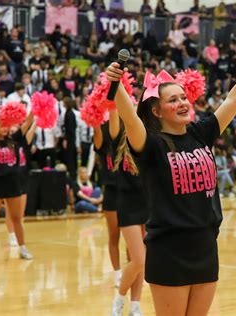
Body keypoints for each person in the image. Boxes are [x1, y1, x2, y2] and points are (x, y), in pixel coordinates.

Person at [106, 62, 236, 315]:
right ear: (157, 110)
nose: (183, 103)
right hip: (169, 251)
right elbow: (129, 118)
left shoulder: (201, 133)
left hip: (206, 245)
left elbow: (234, 99)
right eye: (173, 100)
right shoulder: (151, 145)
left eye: (184, 97)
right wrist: (115, 83)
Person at [110, 106, 149, 316]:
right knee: (138, 259)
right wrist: (116, 87)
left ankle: (135, 306)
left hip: (148, 206)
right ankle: (119, 299)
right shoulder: (118, 143)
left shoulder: (145, 144)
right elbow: (115, 112)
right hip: (127, 206)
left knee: (141, 261)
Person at [0, 115, 34, 263]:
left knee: (17, 219)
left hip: (13, 184)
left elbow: (27, 123)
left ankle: (22, 248)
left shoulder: (14, 140)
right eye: (2, 125)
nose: (5, 128)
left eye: (7, 125)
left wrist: (35, 110)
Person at [93, 112, 122, 287]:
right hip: (111, 191)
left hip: (131, 192)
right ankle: (117, 273)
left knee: (135, 237)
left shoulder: (128, 137)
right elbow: (96, 129)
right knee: (114, 236)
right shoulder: (102, 141)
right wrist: (94, 113)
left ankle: (134, 271)